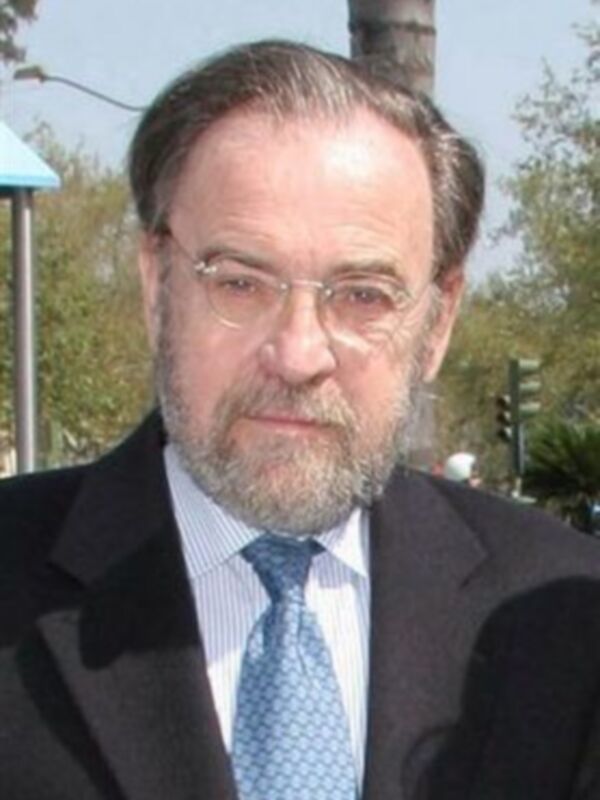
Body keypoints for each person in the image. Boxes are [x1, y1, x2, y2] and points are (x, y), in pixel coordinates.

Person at [1, 40, 600, 800]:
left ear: (439, 321)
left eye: (364, 296)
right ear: (156, 285)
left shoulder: (570, 626)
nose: (298, 354)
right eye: (241, 284)